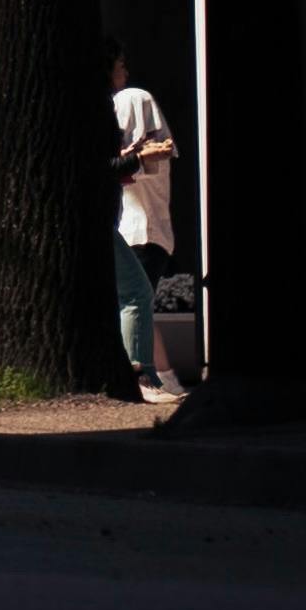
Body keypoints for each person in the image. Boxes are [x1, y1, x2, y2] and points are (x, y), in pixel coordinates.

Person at [112, 58, 184, 398]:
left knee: (136, 300)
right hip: (143, 229)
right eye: (120, 66)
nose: (125, 71)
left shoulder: (130, 101)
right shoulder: (142, 148)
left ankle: (147, 377)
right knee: (139, 301)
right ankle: (163, 376)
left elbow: (131, 171)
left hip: (140, 230)